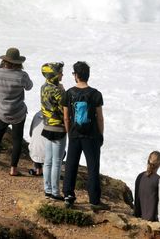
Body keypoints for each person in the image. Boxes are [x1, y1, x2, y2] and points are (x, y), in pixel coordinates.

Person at [61, 61, 106, 211]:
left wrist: (69, 132)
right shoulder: (95, 94)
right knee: (93, 167)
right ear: (88, 75)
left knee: (71, 165)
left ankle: (68, 195)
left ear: (76, 75)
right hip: (91, 136)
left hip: (74, 134)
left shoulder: (68, 93)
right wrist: (100, 134)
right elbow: (99, 117)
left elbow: (66, 117)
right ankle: (94, 200)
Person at [0, 47, 33, 176]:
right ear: (18, 62)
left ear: (5, 60)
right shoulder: (22, 76)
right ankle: (13, 168)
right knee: (17, 139)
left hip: (2, 111)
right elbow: (29, 87)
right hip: (17, 112)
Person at [40, 61, 66, 200]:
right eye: (60, 72)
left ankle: (47, 190)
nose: (62, 74)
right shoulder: (57, 90)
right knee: (57, 162)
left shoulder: (43, 87)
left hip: (47, 126)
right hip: (58, 128)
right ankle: (56, 192)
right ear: (54, 75)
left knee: (48, 161)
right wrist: (62, 90)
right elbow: (65, 109)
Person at [134, 151, 160, 221]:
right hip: (152, 219)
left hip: (138, 216)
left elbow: (137, 198)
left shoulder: (140, 176)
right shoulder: (159, 180)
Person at [27, 110, 45, 176]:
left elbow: (31, 133)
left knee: (36, 144)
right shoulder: (57, 117)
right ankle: (50, 171)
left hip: (34, 152)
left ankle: (38, 169)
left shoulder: (37, 114)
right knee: (63, 151)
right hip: (49, 155)